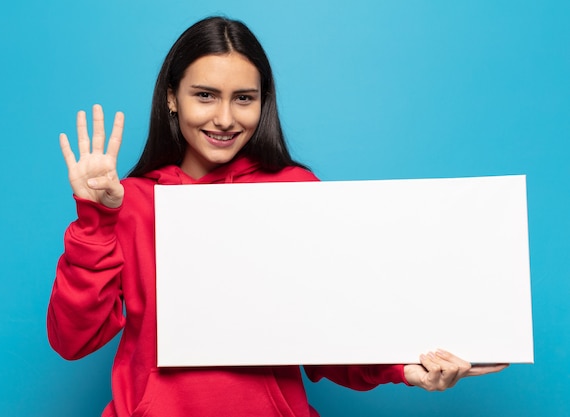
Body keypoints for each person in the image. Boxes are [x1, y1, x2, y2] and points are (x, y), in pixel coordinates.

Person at [48, 16, 507, 417]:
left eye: (244, 98)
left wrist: (406, 369)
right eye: (205, 95)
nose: (225, 118)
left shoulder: (294, 192)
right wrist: (95, 219)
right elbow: (73, 341)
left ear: (263, 101)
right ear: (172, 97)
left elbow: (329, 335)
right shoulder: (128, 203)